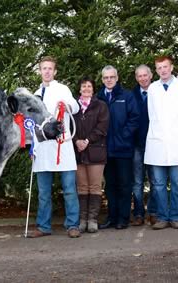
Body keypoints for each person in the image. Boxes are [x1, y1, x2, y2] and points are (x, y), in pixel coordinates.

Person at [27, 56, 81, 238]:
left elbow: (75, 106)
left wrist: (66, 106)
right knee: (43, 192)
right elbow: (31, 122)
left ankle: (73, 225)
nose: (47, 71)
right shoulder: (35, 93)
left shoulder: (62, 89)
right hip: (42, 149)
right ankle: (43, 226)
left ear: (55, 71)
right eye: (44, 68)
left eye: (50, 68)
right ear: (40, 71)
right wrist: (32, 147)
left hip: (61, 146)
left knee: (69, 189)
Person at [145, 55, 178, 230]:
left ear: (171, 67)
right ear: (156, 70)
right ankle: (162, 217)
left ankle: (175, 216)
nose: (163, 70)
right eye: (159, 68)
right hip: (157, 143)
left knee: (176, 183)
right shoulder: (152, 88)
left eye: (165, 67)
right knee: (158, 184)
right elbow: (152, 114)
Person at [97, 65, 139, 230]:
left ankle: (123, 218)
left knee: (124, 184)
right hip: (105, 150)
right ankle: (112, 217)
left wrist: (124, 136)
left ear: (117, 78)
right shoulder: (98, 97)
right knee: (110, 185)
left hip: (123, 149)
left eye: (112, 77)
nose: (109, 80)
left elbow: (135, 118)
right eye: (106, 77)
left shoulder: (127, 96)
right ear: (102, 80)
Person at [73, 76, 109, 233]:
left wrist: (87, 140)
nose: (86, 89)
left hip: (96, 151)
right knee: (82, 187)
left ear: (93, 89)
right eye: (83, 86)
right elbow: (66, 126)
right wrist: (76, 141)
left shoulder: (101, 106)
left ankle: (92, 220)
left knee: (94, 186)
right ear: (79, 89)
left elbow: (103, 127)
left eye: (89, 86)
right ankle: (82, 220)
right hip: (78, 152)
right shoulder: (73, 107)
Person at [131, 64, 158, 226]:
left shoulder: (158, 92)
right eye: (139, 76)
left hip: (155, 143)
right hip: (136, 145)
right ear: (136, 78)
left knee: (155, 180)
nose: (142, 78)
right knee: (137, 182)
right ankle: (139, 214)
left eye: (145, 75)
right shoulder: (131, 95)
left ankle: (153, 213)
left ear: (151, 75)